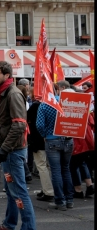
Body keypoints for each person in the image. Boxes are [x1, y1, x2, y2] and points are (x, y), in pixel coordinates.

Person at [0, 61, 37, 230]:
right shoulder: (4, 92)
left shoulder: (13, 94)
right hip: (9, 149)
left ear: (6, 75)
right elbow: (8, 121)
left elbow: (19, 124)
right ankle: (9, 225)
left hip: (13, 151)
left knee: (19, 192)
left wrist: (4, 148)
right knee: (11, 190)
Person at [36, 80, 75, 211]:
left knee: (56, 171)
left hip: (52, 140)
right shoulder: (68, 102)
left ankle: (60, 201)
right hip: (68, 139)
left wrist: (45, 135)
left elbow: (39, 125)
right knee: (66, 169)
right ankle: (69, 200)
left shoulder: (45, 104)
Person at [27, 93, 54, 202]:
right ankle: (48, 188)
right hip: (52, 139)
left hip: (39, 139)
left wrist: (42, 135)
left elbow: (37, 124)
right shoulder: (55, 104)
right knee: (48, 166)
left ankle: (48, 191)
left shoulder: (36, 106)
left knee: (42, 165)